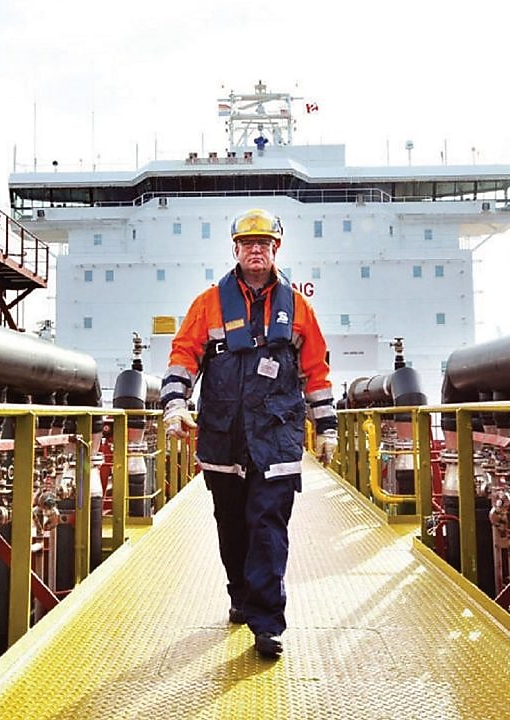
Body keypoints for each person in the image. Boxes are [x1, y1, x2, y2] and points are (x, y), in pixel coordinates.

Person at [161, 208, 338, 659]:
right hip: (223, 436)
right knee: (233, 525)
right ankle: (240, 593)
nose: (256, 249)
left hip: (276, 437)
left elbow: (316, 371)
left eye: (264, 243)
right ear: (235, 250)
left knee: (267, 526)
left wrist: (327, 428)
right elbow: (184, 356)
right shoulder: (208, 304)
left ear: (276, 249)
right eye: (247, 243)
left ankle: (267, 622)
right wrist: (176, 404)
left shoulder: (299, 308)